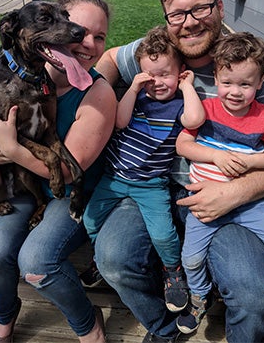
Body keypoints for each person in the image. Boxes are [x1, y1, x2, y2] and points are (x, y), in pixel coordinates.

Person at [95, 0, 264, 343]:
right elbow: (111, 58)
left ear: (221, 7)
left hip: (230, 192)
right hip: (151, 182)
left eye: (200, 8)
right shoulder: (160, 53)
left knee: (253, 294)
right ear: (167, 18)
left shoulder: (258, 67)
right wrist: (91, 110)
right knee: (113, 259)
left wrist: (234, 193)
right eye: (177, 13)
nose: (189, 23)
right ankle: (163, 327)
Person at [0, 0, 117, 343]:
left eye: (99, 36)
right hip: (24, 187)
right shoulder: (23, 71)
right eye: (74, 26)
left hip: (72, 194)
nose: (83, 40)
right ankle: (4, 315)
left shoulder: (96, 93)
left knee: (36, 263)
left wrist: (10, 147)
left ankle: (87, 323)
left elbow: (64, 171)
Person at [83, 25, 204, 313]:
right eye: (150, 76)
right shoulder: (137, 97)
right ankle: (99, 259)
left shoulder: (179, 104)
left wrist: (187, 87)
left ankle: (173, 272)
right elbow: (121, 122)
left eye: (165, 74)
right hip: (114, 178)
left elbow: (195, 119)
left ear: (181, 71)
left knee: (163, 233)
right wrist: (135, 88)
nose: (158, 82)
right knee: (89, 221)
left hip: (151, 184)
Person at [174, 32, 264, 334]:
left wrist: (250, 162)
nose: (235, 92)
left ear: (259, 83)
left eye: (245, 84)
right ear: (216, 78)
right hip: (202, 207)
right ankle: (199, 295)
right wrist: (218, 157)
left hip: (248, 203)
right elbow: (183, 146)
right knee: (190, 259)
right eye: (228, 82)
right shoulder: (206, 111)